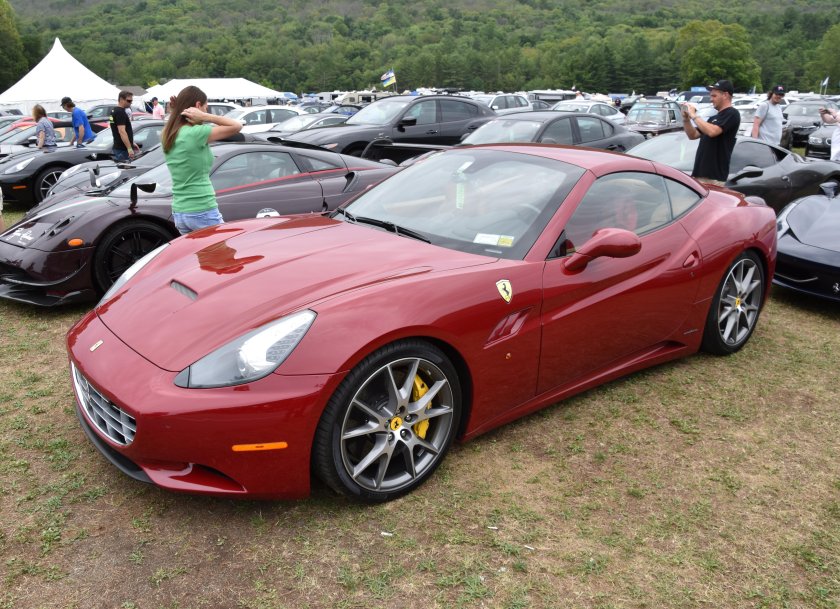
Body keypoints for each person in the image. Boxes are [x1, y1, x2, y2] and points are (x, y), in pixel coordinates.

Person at [161, 86, 242, 235]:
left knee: (200, 258)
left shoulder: (168, 133)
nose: (206, 111)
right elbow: (237, 126)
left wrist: (176, 111)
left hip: (180, 211)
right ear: (198, 106)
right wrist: (207, 117)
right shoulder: (196, 133)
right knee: (223, 257)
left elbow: (175, 122)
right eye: (206, 107)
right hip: (202, 209)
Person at [681, 79, 741, 185]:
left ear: (725, 95)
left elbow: (713, 132)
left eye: (714, 96)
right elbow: (693, 135)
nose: (711, 99)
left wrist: (694, 115)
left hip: (714, 177)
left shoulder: (732, 114)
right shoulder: (713, 118)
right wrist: (686, 119)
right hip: (700, 173)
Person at [110, 90, 138, 162]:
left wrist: (131, 143)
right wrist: (129, 148)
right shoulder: (120, 112)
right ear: (121, 99)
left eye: (131, 101)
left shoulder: (114, 110)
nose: (130, 103)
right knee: (126, 171)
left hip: (118, 147)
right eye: (128, 101)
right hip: (122, 149)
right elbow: (122, 131)